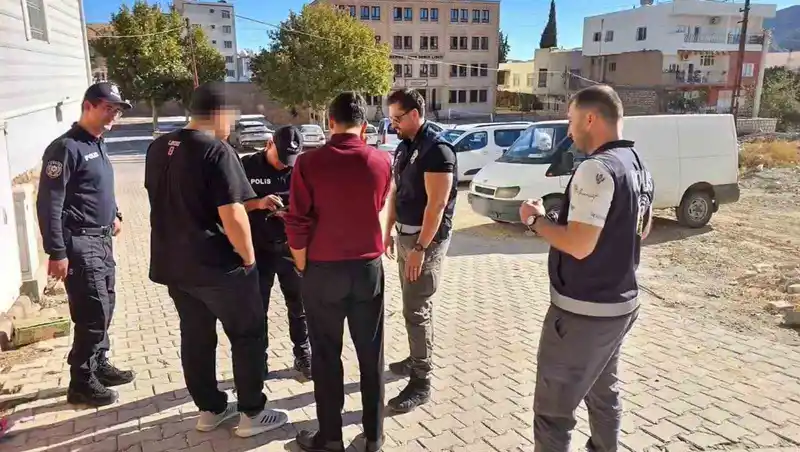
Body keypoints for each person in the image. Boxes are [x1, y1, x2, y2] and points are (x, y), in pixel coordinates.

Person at [144, 82, 287, 437]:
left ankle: (210, 409)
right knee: (248, 334)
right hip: (216, 266)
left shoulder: (159, 147)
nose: (231, 124)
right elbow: (232, 213)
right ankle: (252, 413)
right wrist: (249, 259)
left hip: (173, 264)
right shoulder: (217, 150)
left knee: (196, 336)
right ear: (219, 113)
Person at [519, 85, 654, 452]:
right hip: (621, 304)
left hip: (583, 312)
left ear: (590, 118)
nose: (568, 130)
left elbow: (579, 245)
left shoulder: (595, 168)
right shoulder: (637, 164)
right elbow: (643, 229)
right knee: (603, 392)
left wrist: (534, 220)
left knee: (553, 414)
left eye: (571, 119)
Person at [284, 92, 391, 452]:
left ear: (330, 122)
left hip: (323, 269)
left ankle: (330, 438)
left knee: (326, 355)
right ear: (363, 124)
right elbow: (379, 203)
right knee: (371, 353)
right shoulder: (381, 160)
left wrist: (302, 264)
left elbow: (296, 221)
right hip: (367, 269)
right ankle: (374, 435)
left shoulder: (308, 163)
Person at [36, 82, 135, 407]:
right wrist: (57, 252)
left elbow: (98, 188)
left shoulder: (97, 143)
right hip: (79, 243)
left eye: (117, 110)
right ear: (88, 106)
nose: (113, 115)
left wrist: (115, 213)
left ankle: (98, 364)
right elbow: (49, 203)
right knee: (92, 312)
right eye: (108, 108)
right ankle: (80, 381)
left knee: (106, 305)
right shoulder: (66, 148)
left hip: (102, 241)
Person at [382, 89, 457, 413]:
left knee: (416, 309)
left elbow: (437, 205)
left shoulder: (437, 150)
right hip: (405, 236)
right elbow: (396, 192)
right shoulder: (405, 147)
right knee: (411, 305)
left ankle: (421, 381)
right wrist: (387, 230)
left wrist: (421, 248)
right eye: (391, 119)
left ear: (415, 114)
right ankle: (416, 358)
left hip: (425, 242)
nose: (393, 124)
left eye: (397, 118)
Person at [240, 126, 312, 379]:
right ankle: (258, 360)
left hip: (291, 249)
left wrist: (294, 213)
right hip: (257, 250)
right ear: (269, 144)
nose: (284, 165)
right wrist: (258, 203)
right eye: (281, 158)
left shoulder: (300, 169)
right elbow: (230, 206)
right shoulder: (247, 166)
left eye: (289, 160)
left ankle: (303, 354)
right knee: (257, 309)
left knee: (299, 306)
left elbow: (312, 207)